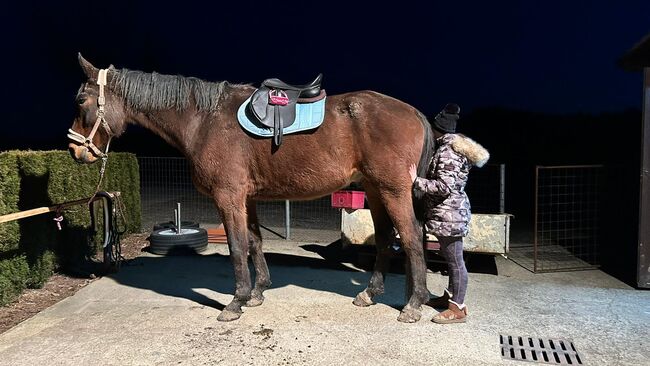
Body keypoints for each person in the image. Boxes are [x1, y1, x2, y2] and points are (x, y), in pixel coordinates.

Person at [408, 103, 489, 324]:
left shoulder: (448, 152)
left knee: (455, 262)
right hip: (449, 214)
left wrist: (417, 181)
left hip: (450, 215)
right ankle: (450, 298)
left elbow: (445, 186)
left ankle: (458, 309)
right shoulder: (451, 148)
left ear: (437, 131)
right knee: (452, 259)